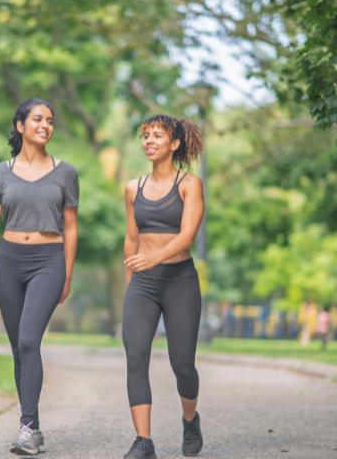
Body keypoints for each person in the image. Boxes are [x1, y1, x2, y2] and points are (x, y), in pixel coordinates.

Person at [0, 98, 78, 456]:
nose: (45, 125)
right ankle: (32, 427)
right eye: (38, 119)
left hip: (48, 261)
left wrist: (67, 274)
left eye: (50, 120)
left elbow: (71, 228)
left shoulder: (66, 172)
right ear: (20, 125)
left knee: (28, 341)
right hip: (9, 262)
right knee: (19, 350)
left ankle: (26, 428)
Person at [122, 114, 205, 459]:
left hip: (179, 281)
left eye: (157, 135)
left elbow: (187, 235)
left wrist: (153, 259)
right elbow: (131, 238)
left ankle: (190, 419)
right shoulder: (132, 188)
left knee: (182, 363)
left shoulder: (189, 184)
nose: (149, 141)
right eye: (145, 136)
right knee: (136, 356)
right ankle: (144, 441)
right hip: (143, 284)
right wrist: (132, 283)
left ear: (174, 144)